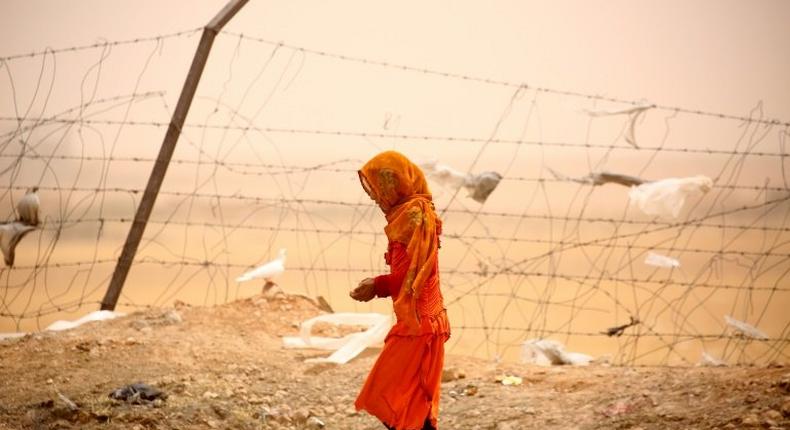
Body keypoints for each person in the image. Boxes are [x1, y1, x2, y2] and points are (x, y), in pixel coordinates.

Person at [350, 151, 450, 430]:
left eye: (379, 188)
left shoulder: (414, 215)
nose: (374, 197)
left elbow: (417, 274)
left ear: (395, 183)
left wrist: (378, 285)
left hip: (420, 328)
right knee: (408, 403)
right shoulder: (411, 213)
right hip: (420, 322)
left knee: (393, 398)